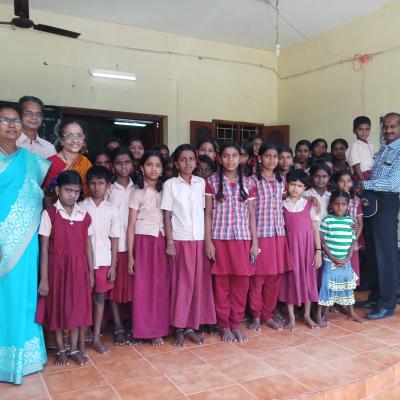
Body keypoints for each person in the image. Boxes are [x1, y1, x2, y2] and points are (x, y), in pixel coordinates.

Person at [0, 106, 49, 384]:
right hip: (1, 243)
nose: (12, 124)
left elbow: (39, 201)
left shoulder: (33, 162)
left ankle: (27, 357)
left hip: (26, 244)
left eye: (15, 120)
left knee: (26, 295)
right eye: (5, 120)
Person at [36, 171, 94, 366]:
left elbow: (88, 246)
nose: (72, 195)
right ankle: (61, 349)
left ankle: (75, 349)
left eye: (76, 192)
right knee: (58, 308)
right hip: (57, 269)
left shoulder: (84, 216)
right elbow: (43, 248)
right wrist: (44, 278)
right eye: (68, 190)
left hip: (79, 269)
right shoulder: (50, 214)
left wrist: (91, 273)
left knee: (78, 309)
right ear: (58, 190)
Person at [161, 144, 216, 346]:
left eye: (191, 159)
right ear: (176, 163)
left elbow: (208, 213)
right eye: (183, 159)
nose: (188, 163)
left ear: (196, 161)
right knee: (182, 286)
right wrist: (170, 242)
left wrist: (208, 241)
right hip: (181, 240)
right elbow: (166, 216)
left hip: (200, 240)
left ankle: (193, 326)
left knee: (198, 286)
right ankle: (179, 327)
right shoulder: (170, 185)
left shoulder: (203, 183)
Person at [205, 142, 259, 343]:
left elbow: (252, 215)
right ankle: (224, 325)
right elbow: (208, 213)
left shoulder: (249, 183)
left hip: (243, 239)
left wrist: (255, 242)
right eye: (226, 155)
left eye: (235, 155)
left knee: (241, 284)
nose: (230, 160)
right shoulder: (211, 182)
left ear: (241, 158)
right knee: (221, 285)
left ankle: (236, 323)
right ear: (219, 158)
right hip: (220, 238)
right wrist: (208, 241)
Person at [356, 112, 400, 320]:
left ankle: (387, 303)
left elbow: (392, 184)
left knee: (386, 253)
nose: (388, 130)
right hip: (372, 202)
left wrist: (364, 185)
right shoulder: (383, 150)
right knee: (373, 250)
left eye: (393, 126)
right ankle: (375, 295)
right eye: (386, 126)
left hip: (387, 202)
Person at [127, 151, 171, 346]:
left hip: (161, 240)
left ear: (162, 169)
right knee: (143, 287)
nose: (153, 169)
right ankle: (141, 330)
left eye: (158, 165)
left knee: (160, 286)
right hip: (143, 241)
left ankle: (158, 330)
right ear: (142, 167)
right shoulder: (137, 192)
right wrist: (130, 256)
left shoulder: (166, 191)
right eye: (149, 164)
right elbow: (131, 225)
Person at [248, 144, 292, 332]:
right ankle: (256, 315)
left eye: (275, 156)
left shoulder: (282, 181)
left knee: (275, 278)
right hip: (260, 234)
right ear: (260, 158)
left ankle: (268, 314)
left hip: (278, 234)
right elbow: (247, 211)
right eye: (268, 156)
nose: (272, 160)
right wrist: (253, 239)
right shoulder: (251, 181)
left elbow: (289, 201)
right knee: (258, 279)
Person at [80, 166, 120, 354]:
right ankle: (81, 339)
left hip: (104, 260)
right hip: (82, 261)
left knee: (100, 298)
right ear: (87, 185)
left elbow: (115, 239)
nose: (97, 187)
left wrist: (113, 265)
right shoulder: (80, 207)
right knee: (82, 298)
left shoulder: (112, 210)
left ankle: (96, 337)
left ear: (108, 186)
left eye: (101, 183)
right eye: (93, 183)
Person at [279, 170, 322, 330]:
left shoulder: (309, 204)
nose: (295, 188)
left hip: (307, 248)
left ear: (305, 188)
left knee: (308, 278)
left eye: (299, 185)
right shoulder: (282, 204)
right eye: (292, 184)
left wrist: (318, 251)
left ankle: (306, 315)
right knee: (291, 278)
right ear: (287, 185)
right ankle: (291, 317)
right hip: (290, 247)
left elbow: (315, 229)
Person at [317, 191, 363, 326]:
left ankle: (352, 312)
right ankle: (320, 313)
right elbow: (321, 239)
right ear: (331, 205)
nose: (340, 207)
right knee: (326, 286)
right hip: (329, 261)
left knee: (347, 286)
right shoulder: (327, 220)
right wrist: (331, 256)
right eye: (337, 204)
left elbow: (353, 239)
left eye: (343, 204)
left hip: (345, 261)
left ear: (348, 206)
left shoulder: (350, 221)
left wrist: (349, 256)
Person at [107, 147, 135, 345]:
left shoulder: (139, 187)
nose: (123, 166)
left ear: (133, 164)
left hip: (135, 247)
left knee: (135, 288)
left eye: (127, 162)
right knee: (114, 289)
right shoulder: (108, 188)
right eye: (119, 163)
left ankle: (134, 323)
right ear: (112, 166)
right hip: (113, 247)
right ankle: (117, 326)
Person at [43, 119, 92, 200]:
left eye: (79, 135)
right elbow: (47, 195)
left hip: (80, 209)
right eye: (69, 136)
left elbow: (88, 192)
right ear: (62, 140)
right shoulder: (51, 162)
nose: (75, 140)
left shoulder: (86, 163)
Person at [333, 171, 363, 285]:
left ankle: (347, 298)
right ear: (336, 183)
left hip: (351, 241)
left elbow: (360, 223)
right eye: (342, 181)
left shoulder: (355, 200)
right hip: (335, 241)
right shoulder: (332, 199)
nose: (345, 184)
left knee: (350, 271)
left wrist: (354, 240)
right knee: (335, 270)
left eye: (349, 181)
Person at [346, 116, 375, 182]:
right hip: (360, 176)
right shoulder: (355, 145)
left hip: (371, 174)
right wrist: (363, 182)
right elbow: (356, 166)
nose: (364, 132)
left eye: (367, 129)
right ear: (354, 130)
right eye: (360, 129)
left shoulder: (371, 144)